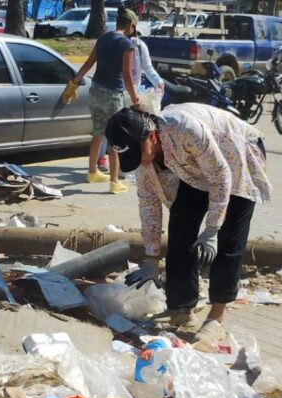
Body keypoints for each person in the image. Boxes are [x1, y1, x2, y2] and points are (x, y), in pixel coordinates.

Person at [105, 103, 271, 344]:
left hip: (237, 159)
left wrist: (212, 229)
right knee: (181, 227)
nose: (138, 162)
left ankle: (216, 318)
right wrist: (151, 258)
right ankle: (181, 309)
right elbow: (148, 205)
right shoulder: (145, 159)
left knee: (228, 239)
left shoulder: (184, 128)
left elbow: (221, 176)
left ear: (151, 136)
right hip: (199, 169)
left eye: (138, 154)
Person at [67, 6, 140, 194]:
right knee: (115, 138)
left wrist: (73, 84)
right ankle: (115, 182)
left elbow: (88, 64)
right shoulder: (126, 44)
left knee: (98, 133)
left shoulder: (103, 38)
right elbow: (127, 74)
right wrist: (134, 97)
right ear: (131, 25)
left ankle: (92, 172)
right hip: (112, 95)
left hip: (95, 91)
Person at [97, 31, 164, 172]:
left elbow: (147, 67)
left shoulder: (139, 45)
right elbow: (126, 74)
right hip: (118, 92)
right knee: (114, 128)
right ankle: (104, 159)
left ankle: (122, 168)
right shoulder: (117, 43)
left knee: (131, 134)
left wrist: (158, 81)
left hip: (134, 93)